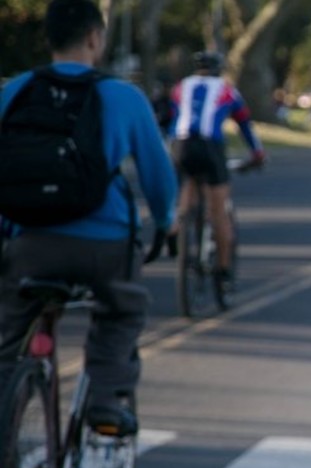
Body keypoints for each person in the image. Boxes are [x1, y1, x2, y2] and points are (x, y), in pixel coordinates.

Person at [0, 0, 177, 435]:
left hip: (29, 241)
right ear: (95, 38)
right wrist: (166, 221)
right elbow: (157, 175)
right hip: (105, 244)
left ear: (48, 38)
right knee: (121, 311)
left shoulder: (15, 91)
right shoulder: (123, 96)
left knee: (8, 337)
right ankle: (104, 402)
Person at [170, 50, 264, 292]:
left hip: (181, 145)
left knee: (189, 186)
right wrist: (257, 154)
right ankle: (223, 269)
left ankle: (178, 226)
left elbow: (172, 119)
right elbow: (245, 125)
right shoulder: (226, 90)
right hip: (210, 147)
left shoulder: (180, 87)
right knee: (218, 209)